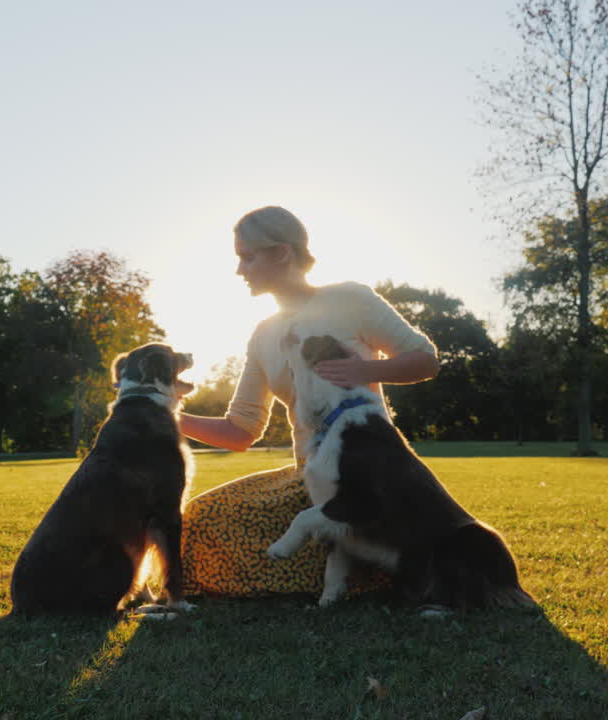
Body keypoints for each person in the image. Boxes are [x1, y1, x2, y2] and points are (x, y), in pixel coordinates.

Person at [178, 205, 440, 597]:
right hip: (308, 478)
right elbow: (240, 430)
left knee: (323, 533)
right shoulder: (262, 334)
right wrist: (166, 416)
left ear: (282, 253)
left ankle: (370, 562)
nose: (239, 270)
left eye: (248, 257)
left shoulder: (351, 299)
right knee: (201, 520)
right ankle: (352, 567)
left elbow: (426, 360)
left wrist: (365, 370)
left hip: (365, 474)